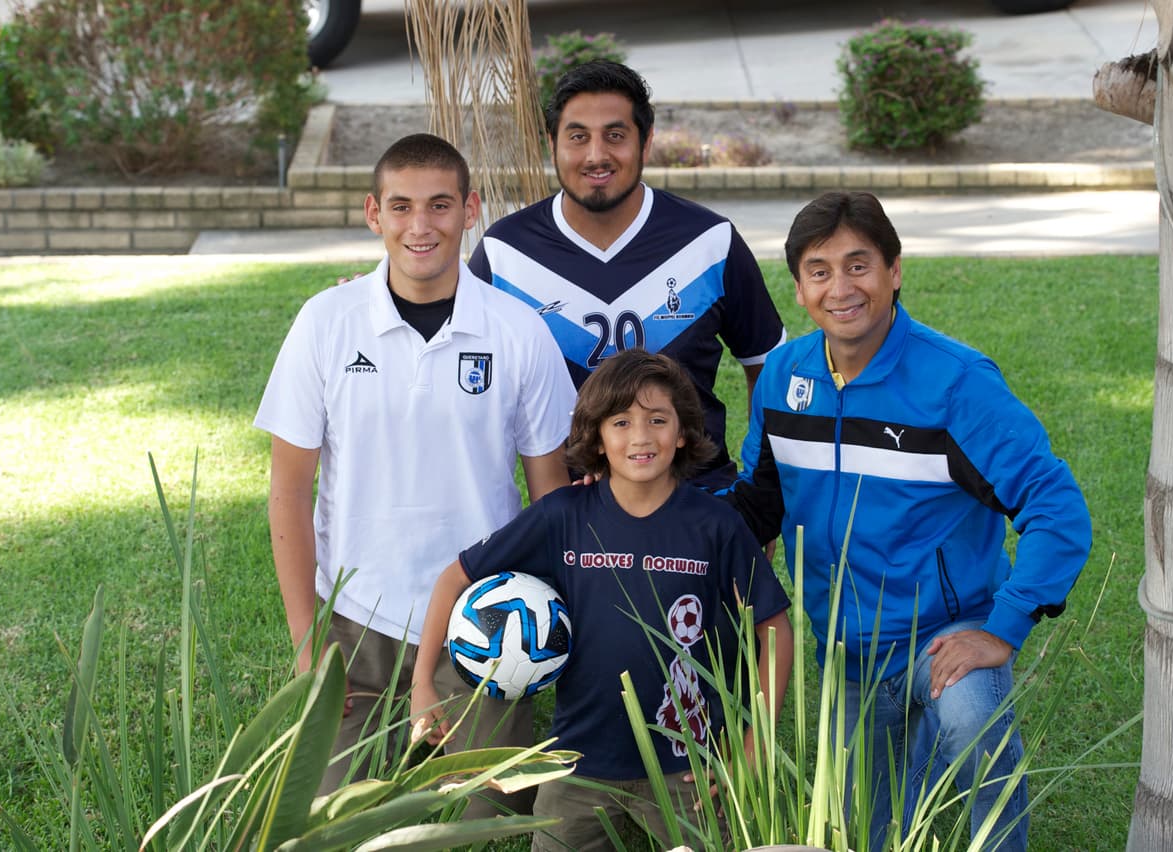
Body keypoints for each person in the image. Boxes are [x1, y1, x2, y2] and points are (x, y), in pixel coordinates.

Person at [726, 191, 1092, 851]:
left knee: (976, 729)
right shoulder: (783, 378)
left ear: (894, 271)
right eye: (819, 270)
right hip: (846, 655)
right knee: (867, 832)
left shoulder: (954, 382)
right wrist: (648, 518)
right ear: (801, 288)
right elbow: (759, 500)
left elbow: (1055, 505)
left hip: (946, 637)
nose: (841, 287)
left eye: (859, 265)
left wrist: (1002, 629)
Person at [254, 133, 576, 803]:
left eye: (439, 205)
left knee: (484, 816)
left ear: (469, 209)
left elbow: (553, 494)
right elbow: (288, 490)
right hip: (354, 612)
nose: (420, 226)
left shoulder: (517, 331)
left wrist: (545, 617)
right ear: (374, 214)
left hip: (480, 615)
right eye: (401, 207)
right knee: (332, 819)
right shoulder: (325, 322)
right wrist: (306, 639)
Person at [410, 349, 794, 851]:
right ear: (597, 437)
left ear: (681, 433)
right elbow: (453, 579)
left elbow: (775, 628)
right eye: (621, 422)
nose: (640, 436)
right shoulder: (563, 516)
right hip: (576, 765)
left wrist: (753, 744)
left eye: (657, 420)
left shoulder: (715, 526)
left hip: (688, 768)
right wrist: (422, 683)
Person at [468, 60, 786, 490]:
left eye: (615, 136)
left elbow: (767, 366)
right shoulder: (505, 253)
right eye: (578, 137)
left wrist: (760, 491)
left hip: (700, 511)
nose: (596, 155)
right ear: (552, 143)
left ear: (646, 141)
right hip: (573, 521)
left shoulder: (709, 241)